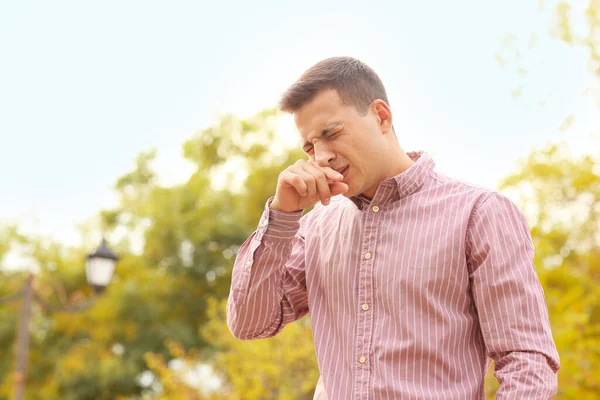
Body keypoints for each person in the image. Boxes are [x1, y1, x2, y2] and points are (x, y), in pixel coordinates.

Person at [226, 56, 560, 399]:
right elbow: (251, 324)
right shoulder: (313, 228)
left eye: (331, 133)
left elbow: (527, 361)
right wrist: (282, 215)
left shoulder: (479, 213)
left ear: (381, 116)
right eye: (310, 146)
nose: (321, 156)